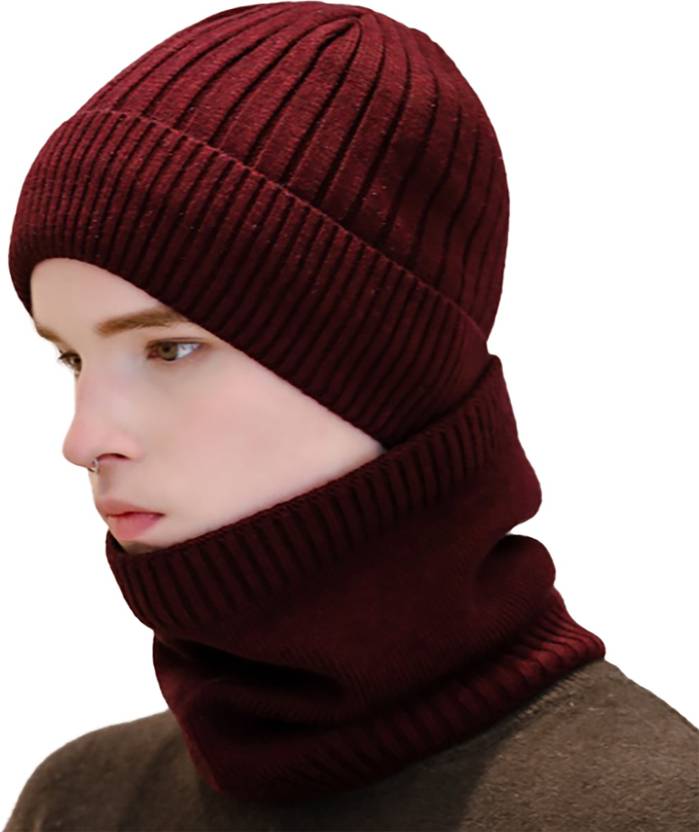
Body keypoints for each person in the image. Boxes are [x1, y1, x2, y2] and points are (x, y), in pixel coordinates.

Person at [4, 2, 697, 830]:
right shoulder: (80, 803)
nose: (82, 439)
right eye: (72, 358)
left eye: (169, 349)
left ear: (384, 367)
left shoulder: (652, 810)